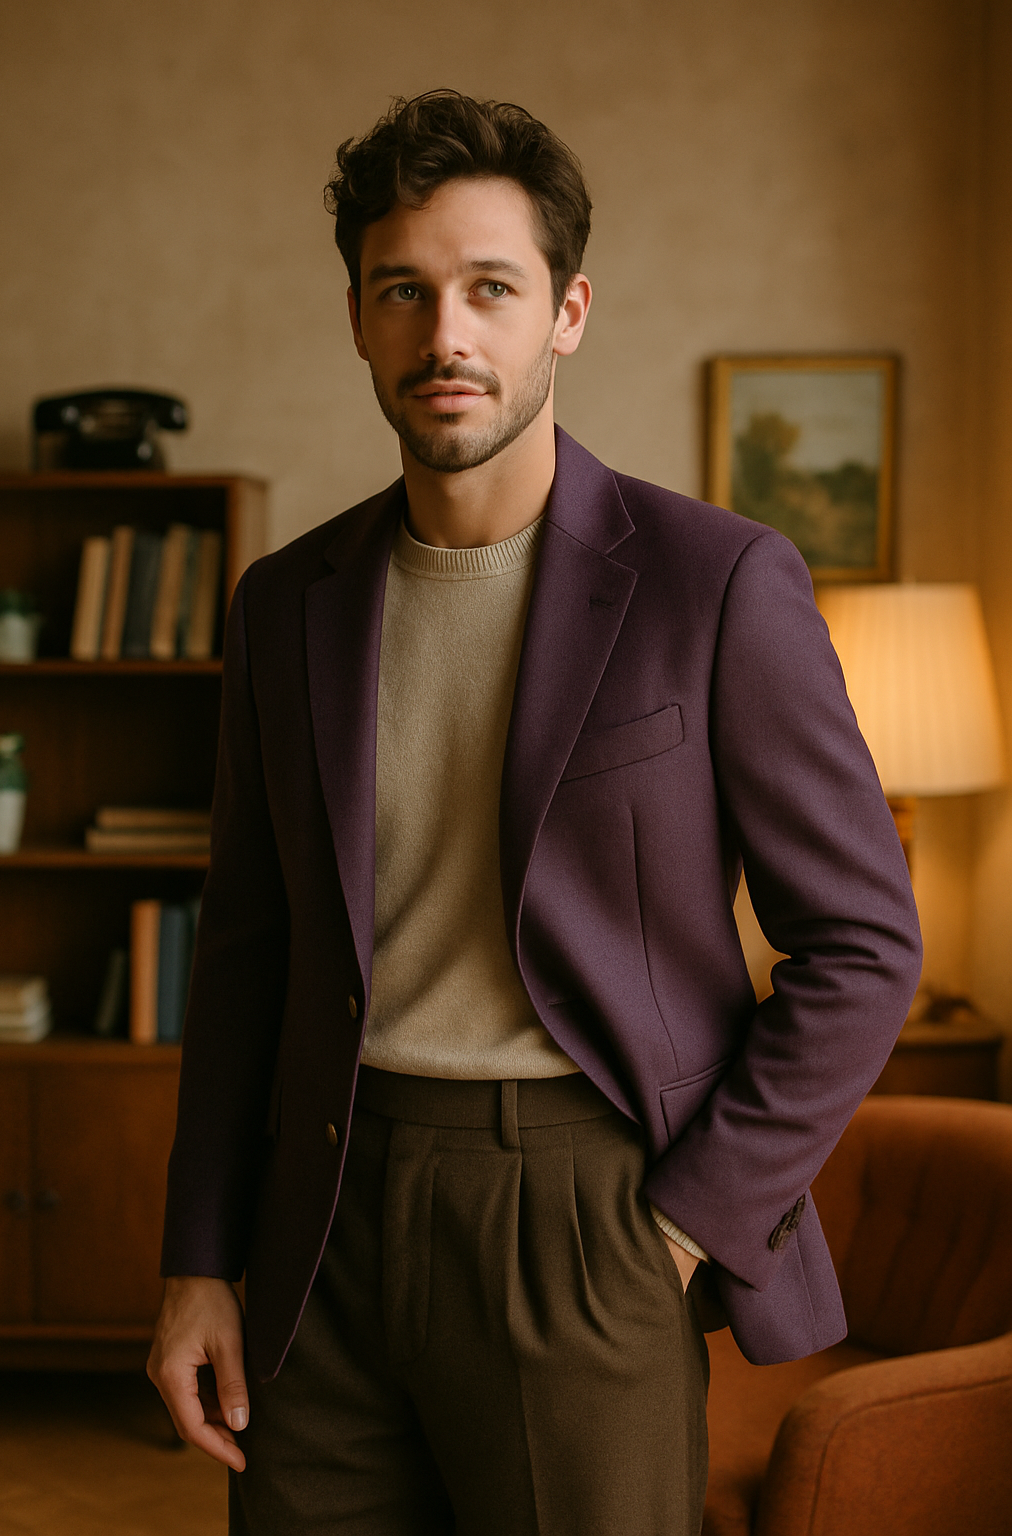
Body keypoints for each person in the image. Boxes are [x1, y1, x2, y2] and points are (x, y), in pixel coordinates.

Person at [147, 90, 922, 1536]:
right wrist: (199, 1255)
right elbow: (248, 950)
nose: (446, 332)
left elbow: (867, 944)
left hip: (584, 1213)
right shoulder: (284, 605)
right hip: (324, 1212)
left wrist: (681, 1229)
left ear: (566, 311)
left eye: (490, 289)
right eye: (404, 290)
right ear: (359, 320)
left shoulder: (715, 582)